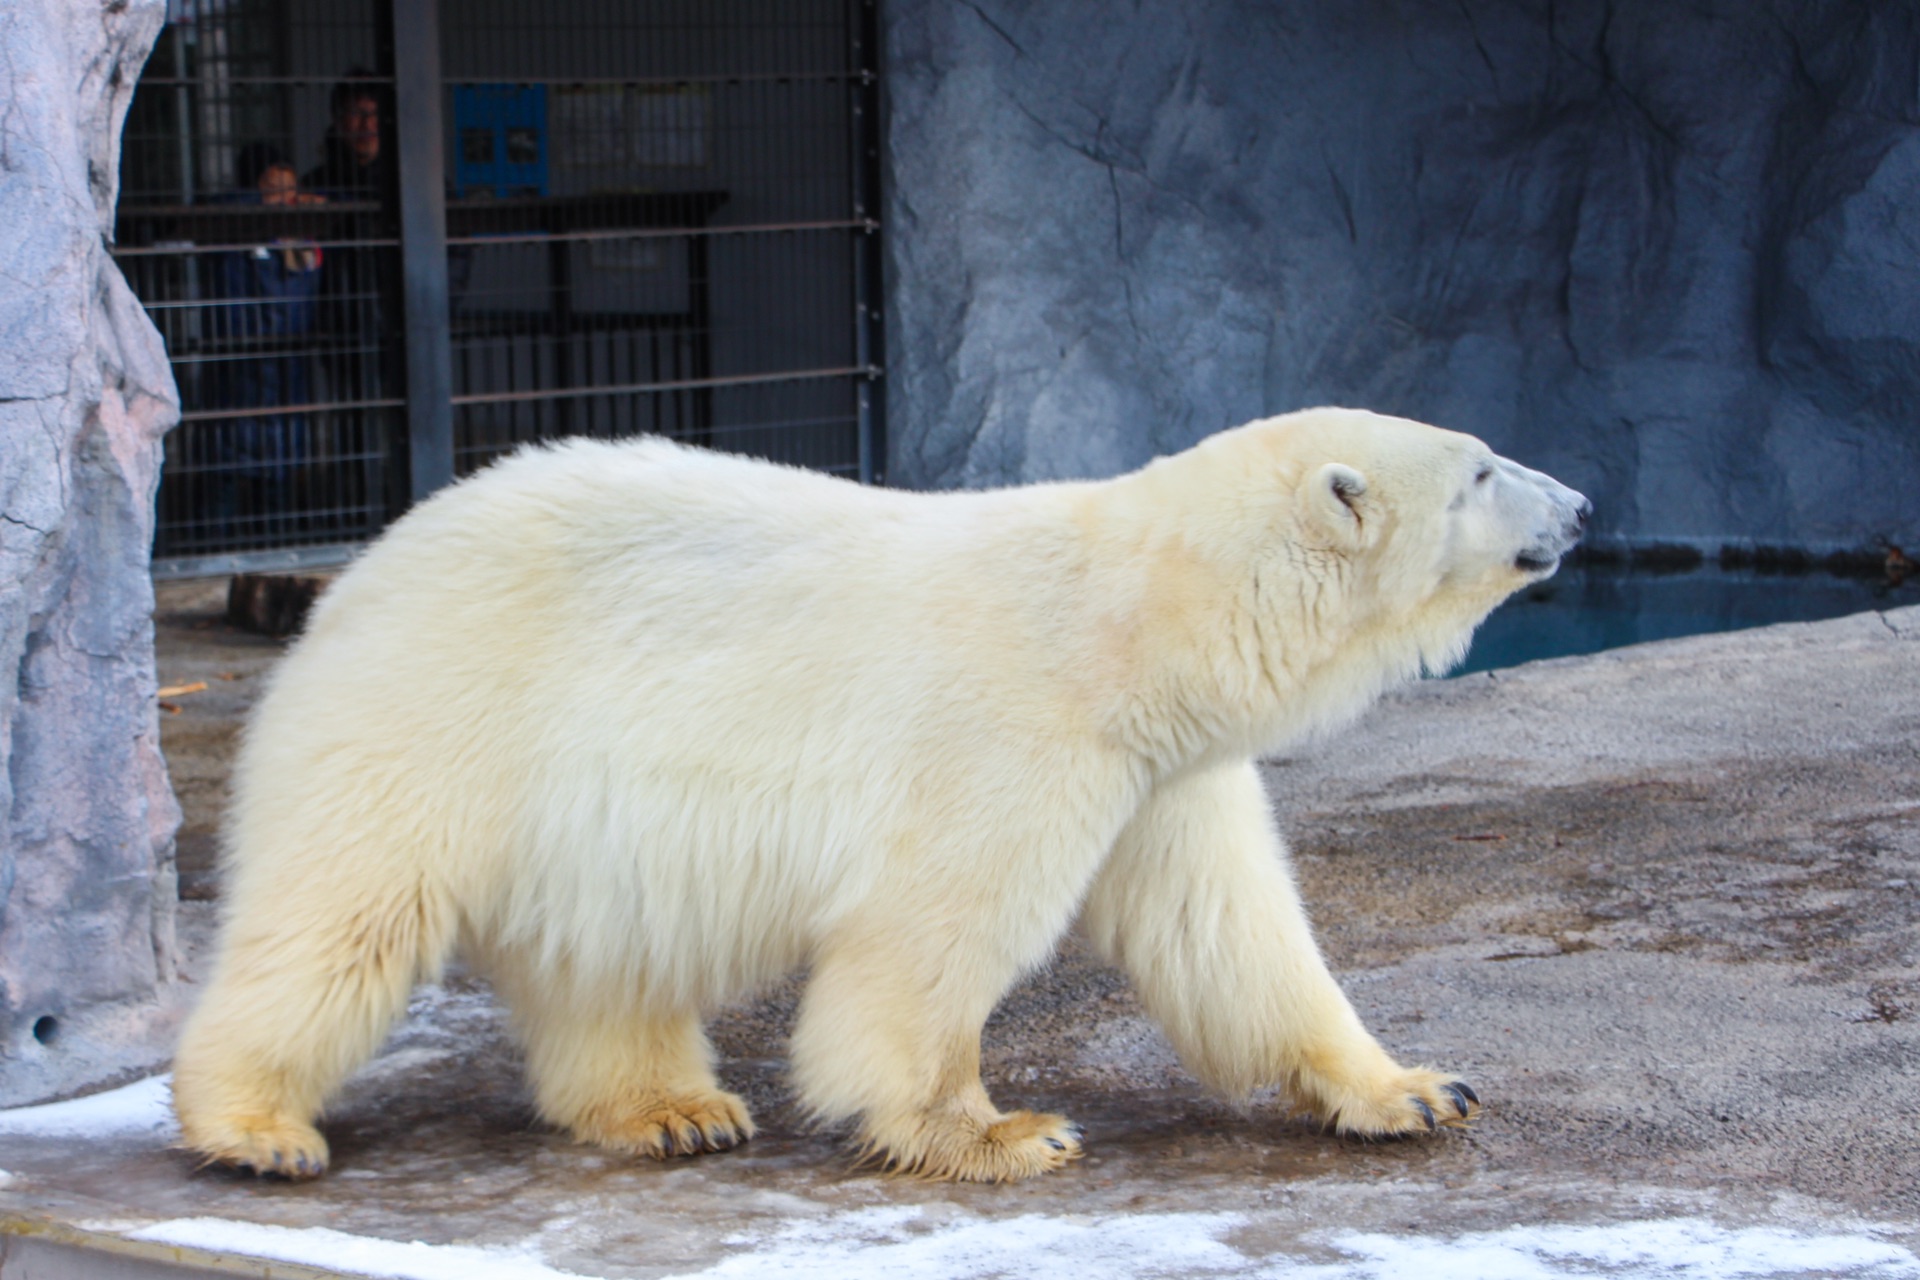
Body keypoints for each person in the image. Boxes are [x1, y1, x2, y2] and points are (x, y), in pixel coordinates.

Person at [203, 143, 327, 540]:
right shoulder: (231, 230)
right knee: (224, 465)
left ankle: (275, 542)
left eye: (291, 190)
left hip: (287, 367)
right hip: (236, 369)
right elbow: (215, 209)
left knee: (279, 468)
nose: (283, 201)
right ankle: (214, 545)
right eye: (272, 190)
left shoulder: (302, 241)